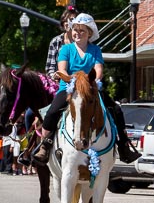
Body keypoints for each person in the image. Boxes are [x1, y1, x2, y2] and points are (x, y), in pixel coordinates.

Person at [33, 13, 140, 165]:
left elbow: (98, 70)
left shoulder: (95, 50)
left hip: (91, 89)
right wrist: (74, 82)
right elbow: (61, 70)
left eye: (82, 30)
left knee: (116, 109)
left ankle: (123, 145)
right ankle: (45, 145)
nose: (77, 33)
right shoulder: (66, 49)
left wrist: (92, 82)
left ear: (89, 33)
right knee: (52, 112)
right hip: (69, 88)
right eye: (75, 29)